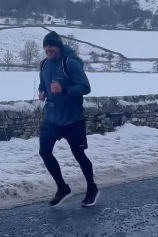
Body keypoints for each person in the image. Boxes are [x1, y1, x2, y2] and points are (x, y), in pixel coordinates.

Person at [38, 31, 99, 207]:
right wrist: (42, 93)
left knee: (79, 154)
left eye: (51, 46)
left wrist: (64, 90)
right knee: (44, 152)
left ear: (59, 47)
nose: (47, 49)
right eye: (45, 46)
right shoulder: (44, 65)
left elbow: (85, 87)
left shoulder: (70, 64)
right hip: (51, 118)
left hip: (73, 119)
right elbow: (43, 84)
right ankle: (62, 188)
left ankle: (92, 188)